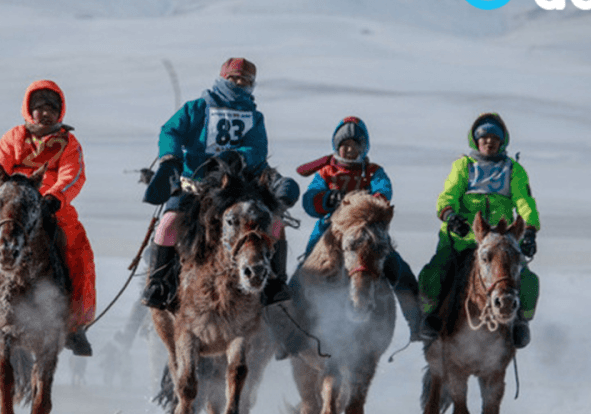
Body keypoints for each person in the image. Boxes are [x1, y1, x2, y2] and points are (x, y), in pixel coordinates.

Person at [140, 57, 299, 311]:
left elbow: (258, 149)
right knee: (168, 225)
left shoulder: (254, 117)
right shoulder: (198, 108)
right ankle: (159, 283)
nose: (238, 83)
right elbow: (170, 130)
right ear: (222, 78)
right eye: (233, 78)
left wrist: (237, 157)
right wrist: (170, 158)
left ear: (251, 84)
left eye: (244, 80)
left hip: (237, 191)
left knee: (276, 224)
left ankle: (274, 283)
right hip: (195, 187)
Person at [0, 80, 96, 356]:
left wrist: (55, 198)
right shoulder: (13, 138)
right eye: (39, 108)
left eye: (51, 107)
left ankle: (75, 325)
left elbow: (73, 175)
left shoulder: (69, 143)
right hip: (11, 205)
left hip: (51, 206)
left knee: (78, 249)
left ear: (60, 112)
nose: (45, 113)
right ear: (28, 110)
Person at [276, 116, 421, 354]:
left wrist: (365, 204)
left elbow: (384, 191)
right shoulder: (326, 172)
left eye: (355, 145)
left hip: (368, 231)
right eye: (345, 144)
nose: (350, 149)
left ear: (364, 147)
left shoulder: (373, 172)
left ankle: (416, 322)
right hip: (330, 229)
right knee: (305, 271)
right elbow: (310, 200)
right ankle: (289, 334)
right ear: (336, 146)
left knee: (398, 268)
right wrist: (326, 199)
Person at [417, 112, 540, 348]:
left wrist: (530, 229)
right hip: (462, 238)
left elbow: (524, 201)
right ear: (475, 140)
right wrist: (451, 216)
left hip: (501, 242)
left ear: (502, 141)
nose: (489, 142)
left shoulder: (513, 169)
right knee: (433, 274)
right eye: (484, 138)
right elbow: (448, 196)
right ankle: (430, 317)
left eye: (495, 138)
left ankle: (521, 321)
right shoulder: (463, 166)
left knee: (528, 280)